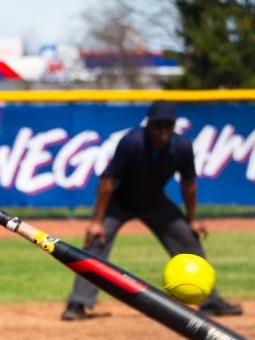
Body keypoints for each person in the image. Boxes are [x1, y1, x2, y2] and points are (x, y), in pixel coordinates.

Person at [60, 99, 242, 321]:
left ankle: (210, 301)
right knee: (96, 241)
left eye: (168, 125)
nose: (163, 130)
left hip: (155, 202)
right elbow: (107, 181)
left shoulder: (182, 147)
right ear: (148, 125)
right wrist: (96, 222)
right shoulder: (132, 142)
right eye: (158, 125)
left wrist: (193, 219)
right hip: (120, 201)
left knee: (188, 239)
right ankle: (78, 304)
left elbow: (189, 184)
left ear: (174, 126)